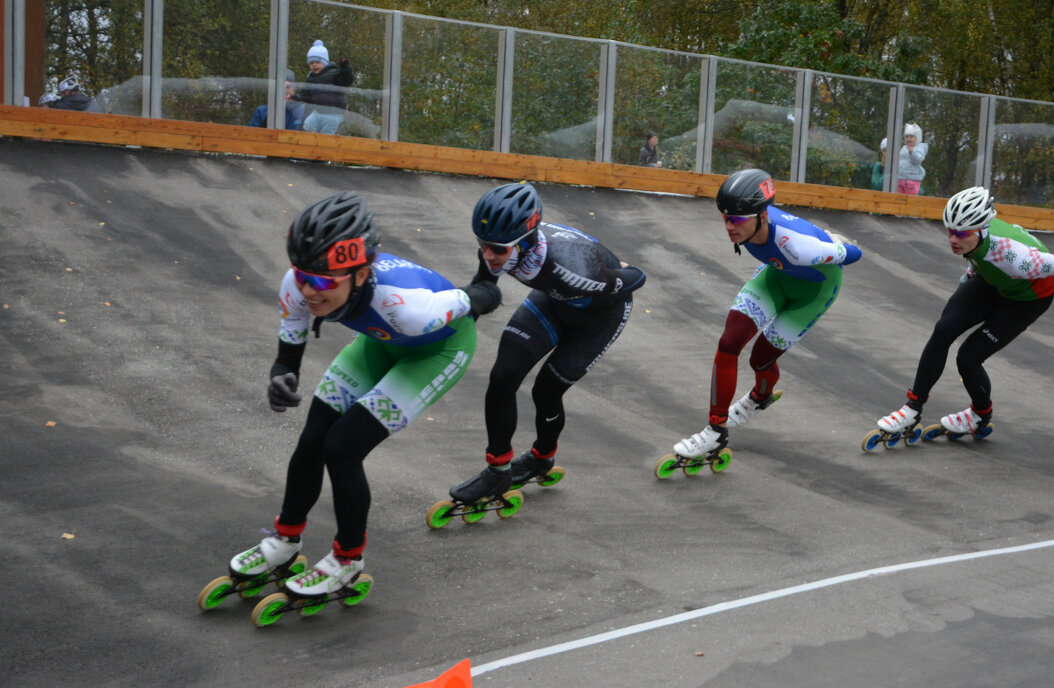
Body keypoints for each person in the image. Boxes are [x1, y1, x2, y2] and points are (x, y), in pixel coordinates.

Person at [227, 191, 501, 598]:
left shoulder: (409, 307)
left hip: (436, 350)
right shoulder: (299, 283)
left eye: (321, 282)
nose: (309, 291)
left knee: (341, 448)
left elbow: (483, 297)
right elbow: (289, 349)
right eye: (302, 277)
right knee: (313, 437)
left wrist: (488, 274)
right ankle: (285, 542)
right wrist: (282, 374)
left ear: (360, 274)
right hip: (380, 340)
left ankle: (347, 560)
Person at [448, 181, 647, 504]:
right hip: (553, 301)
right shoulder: (499, 245)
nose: (488, 255)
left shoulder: (574, 268)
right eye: (483, 244)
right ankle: (497, 471)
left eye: (497, 249)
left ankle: (542, 458)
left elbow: (637, 277)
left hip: (597, 320)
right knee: (502, 377)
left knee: (547, 389)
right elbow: (482, 289)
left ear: (524, 242)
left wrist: (620, 270)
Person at [673, 168, 863, 458]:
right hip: (776, 277)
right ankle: (714, 432)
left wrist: (835, 245)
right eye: (725, 218)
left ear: (762, 216)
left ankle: (760, 397)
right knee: (729, 343)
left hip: (813, 294)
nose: (729, 227)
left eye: (736, 220)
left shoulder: (799, 248)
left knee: (760, 358)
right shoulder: (751, 223)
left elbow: (855, 254)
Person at [876, 186, 1054, 439]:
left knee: (968, 357)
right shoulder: (974, 237)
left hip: (1027, 301)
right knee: (944, 329)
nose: (953, 239)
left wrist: (1045, 274)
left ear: (980, 229)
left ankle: (980, 414)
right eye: (950, 230)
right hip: (991, 283)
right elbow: (979, 262)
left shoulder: (1018, 258)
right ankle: (912, 409)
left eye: (961, 233)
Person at [296, 40, 354, 135]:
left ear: (325, 62)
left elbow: (347, 80)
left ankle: (324, 145)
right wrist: (295, 97)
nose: (314, 64)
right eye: (311, 63)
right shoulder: (311, 78)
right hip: (318, 112)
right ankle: (311, 142)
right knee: (308, 125)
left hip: (333, 112)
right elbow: (305, 95)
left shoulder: (334, 74)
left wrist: (346, 69)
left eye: (317, 62)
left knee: (327, 132)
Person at [896, 123, 927, 195]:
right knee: (898, 199)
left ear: (917, 138)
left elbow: (919, 160)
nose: (908, 138)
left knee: (910, 200)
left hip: (912, 180)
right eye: (906, 137)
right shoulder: (904, 148)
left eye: (911, 137)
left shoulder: (920, 148)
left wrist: (912, 153)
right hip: (900, 178)